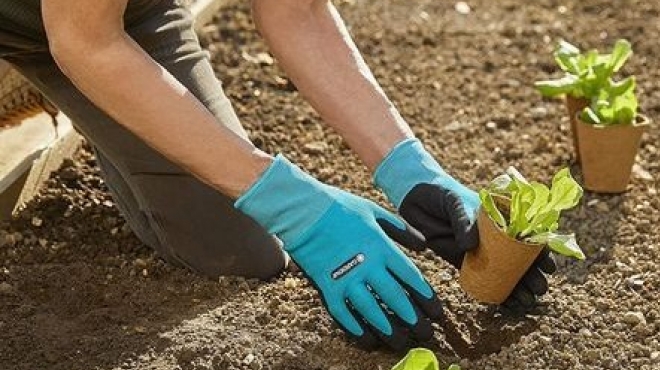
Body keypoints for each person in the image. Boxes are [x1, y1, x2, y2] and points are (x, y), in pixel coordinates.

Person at [0, 0, 556, 351]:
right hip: (81, 31)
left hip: (116, 17)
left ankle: (98, 93)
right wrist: (299, 209)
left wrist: (411, 172)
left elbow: (297, 10)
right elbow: (84, 41)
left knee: (239, 250)